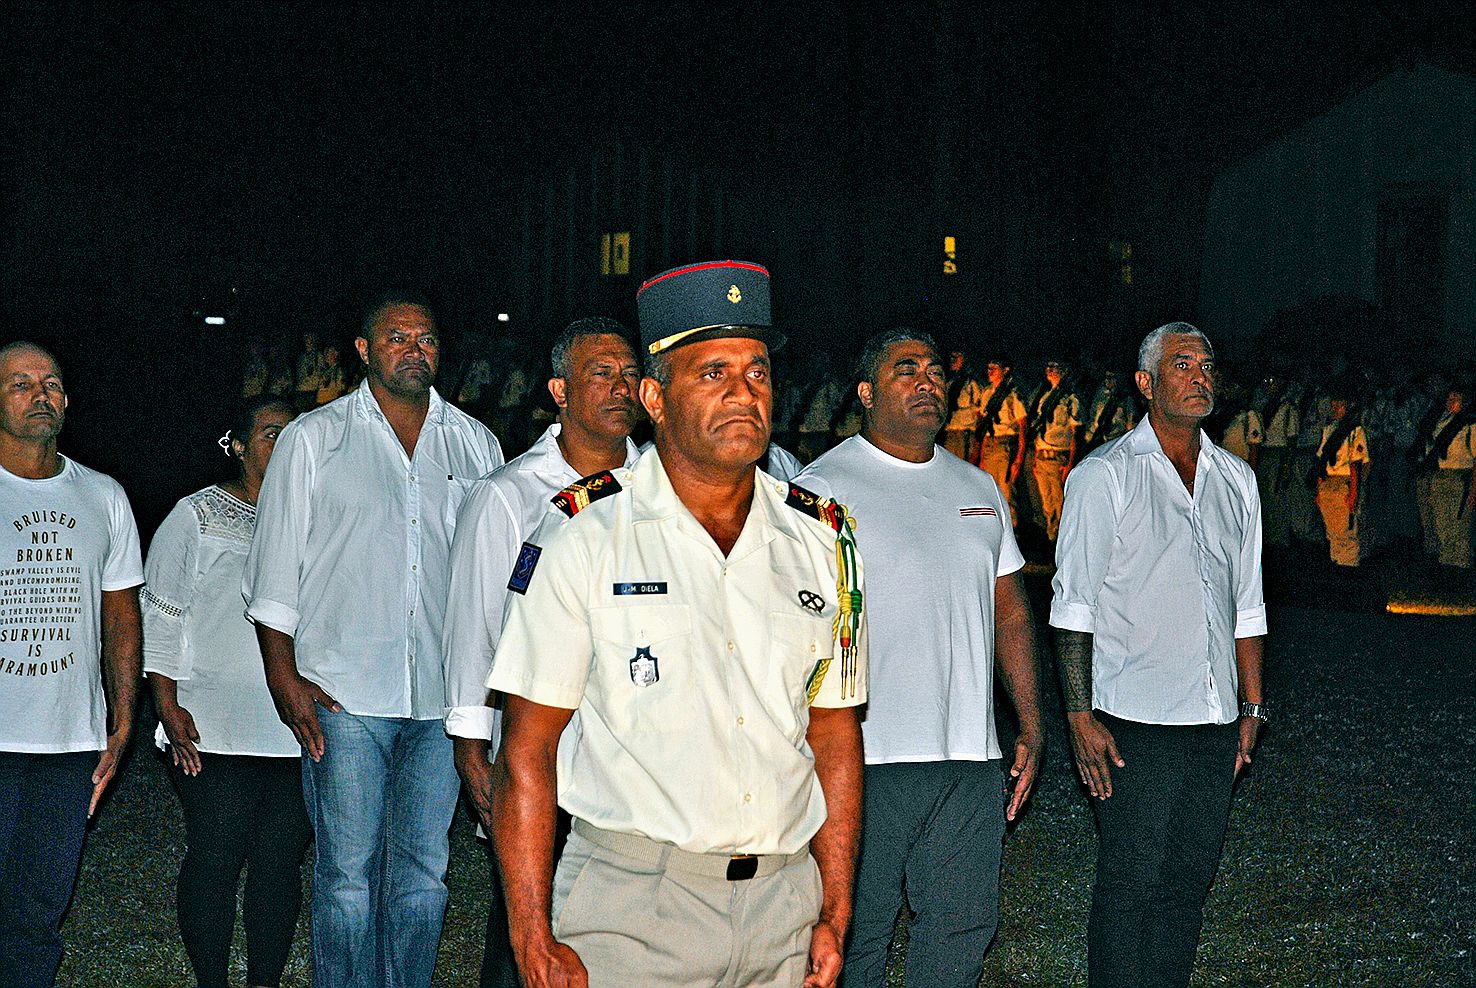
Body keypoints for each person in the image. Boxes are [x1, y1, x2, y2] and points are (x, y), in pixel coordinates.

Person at [488, 260, 867, 988]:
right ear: (654, 398)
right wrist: (530, 935)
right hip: (635, 906)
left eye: (757, 372)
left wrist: (834, 909)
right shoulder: (585, 532)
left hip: (784, 904)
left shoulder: (823, 540)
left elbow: (834, 734)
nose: (743, 393)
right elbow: (528, 748)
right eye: (713, 373)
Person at [243, 293, 504, 988]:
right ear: (363, 350)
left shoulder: (475, 444)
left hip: (442, 699)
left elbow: (489, 575)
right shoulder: (314, 438)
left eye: (427, 338)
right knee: (347, 878)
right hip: (343, 693)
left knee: (424, 875)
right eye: (397, 337)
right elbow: (274, 567)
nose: (415, 349)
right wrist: (283, 676)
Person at [796, 329, 1043, 987]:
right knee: (854, 935)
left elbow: (1011, 612)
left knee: (962, 929)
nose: (928, 380)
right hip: (863, 754)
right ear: (865, 391)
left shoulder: (978, 485)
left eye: (935, 370)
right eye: (905, 370)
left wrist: (1030, 721)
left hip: (968, 753)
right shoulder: (820, 489)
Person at [1050, 322, 1267, 988]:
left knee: (1187, 883)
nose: (1201, 376)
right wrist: (1079, 716)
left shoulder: (1236, 479)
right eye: (1182, 364)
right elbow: (1073, 606)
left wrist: (1252, 707)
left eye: (1207, 365)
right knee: (1131, 883)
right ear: (1145, 383)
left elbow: (1248, 604)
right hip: (1132, 722)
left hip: (1213, 720)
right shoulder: (1105, 475)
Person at [443, 317, 642, 988]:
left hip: (641, 755)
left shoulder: (665, 486)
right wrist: (472, 744)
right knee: (527, 933)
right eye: (601, 374)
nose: (621, 388)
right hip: (543, 754)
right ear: (560, 390)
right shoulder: (509, 495)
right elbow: (474, 624)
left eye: (630, 375)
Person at [143, 397, 311, 988]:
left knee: (279, 864)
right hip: (212, 724)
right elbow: (160, 614)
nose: (282, 443)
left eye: (292, 434)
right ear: (237, 445)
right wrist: (166, 703)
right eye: (270, 433)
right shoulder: (197, 516)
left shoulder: (316, 518)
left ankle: (264, 980)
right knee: (215, 856)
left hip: (292, 726)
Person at [0, 341, 144, 987]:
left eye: (52, 383)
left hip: (69, 742)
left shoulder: (103, 494)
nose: (41, 394)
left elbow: (121, 615)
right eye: (20, 383)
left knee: (38, 909)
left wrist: (122, 718)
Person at [1412, 384, 1476, 577]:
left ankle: (1460, 567)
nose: (1451, 402)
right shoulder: (1441, 421)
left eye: (1455, 399)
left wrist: (1473, 489)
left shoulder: (1470, 424)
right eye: (1449, 399)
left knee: (1459, 526)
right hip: (1440, 475)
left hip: (1460, 477)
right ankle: (1446, 565)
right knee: (1442, 524)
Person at [1309, 387, 1370, 568]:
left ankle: (1348, 566)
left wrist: (1354, 494)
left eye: (1340, 406)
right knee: (1332, 530)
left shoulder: (1355, 431)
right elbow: (1322, 460)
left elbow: (1356, 464)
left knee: (1346, 531)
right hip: (1328, 482)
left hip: (1345, 483)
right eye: (1333, 406)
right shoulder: (1330, 429)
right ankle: (1336, 562)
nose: (1335, 409)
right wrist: (1319, 490)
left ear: (1349, 406)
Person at [1024, 357, 1082, 541]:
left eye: (1054, 367)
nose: (1049, 370)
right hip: (1042, 456)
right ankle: (1051, 539)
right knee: (1047, 504)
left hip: (1059, 457)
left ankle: (1063, 542)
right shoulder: (1045, 396)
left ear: (1064, 371)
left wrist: (1070, 463)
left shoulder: (1071, 399)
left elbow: (1075, 434)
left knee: (1060, 503)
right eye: (1048, 366)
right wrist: (1036, 458)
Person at [972, 354, 1028, 528]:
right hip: (990, 444)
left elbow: (1023, 426)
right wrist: (981, 456)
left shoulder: (1012, 394)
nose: (990, 372)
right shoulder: (987, 393)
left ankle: (1013, 531)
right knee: (990, 492)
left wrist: (1018, 458)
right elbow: (984, 426)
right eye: (989, 368)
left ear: (1005, 370)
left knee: (1006, 492)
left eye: (994, 368)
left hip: (1006, 444)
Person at [939, 349, 984, 463]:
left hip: (964, 433)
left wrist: (977, 443)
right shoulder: (950, 383)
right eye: (951, 356)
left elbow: (980, 414)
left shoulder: (972, 384)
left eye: (957, 356)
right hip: (950, 431)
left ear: (965, 359)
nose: (953, 360)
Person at [1083, 369, 1137, 451]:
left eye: (1111, 377)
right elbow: (1093, 417)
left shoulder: (1127, 400)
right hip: (1096, 440)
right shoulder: (1101, 395)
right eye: (1106, 377)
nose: (1107, 380)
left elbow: (1131, 425)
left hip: (1115, 442)